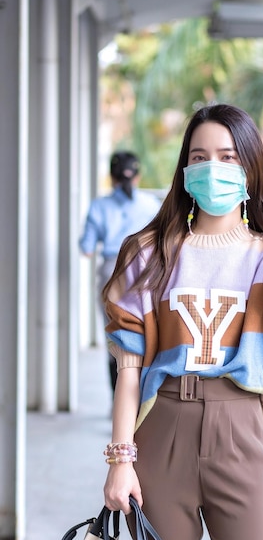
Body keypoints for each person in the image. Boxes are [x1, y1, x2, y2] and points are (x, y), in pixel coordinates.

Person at [102, 104, 263, 540]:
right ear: (184, 169)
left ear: (251, 169)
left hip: (242, 428)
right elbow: (128, 369)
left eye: (229, 157)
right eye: (199, 157)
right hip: (162, 428)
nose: (212, 168)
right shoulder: (149, 254)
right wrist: (119, 461)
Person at [79, 151, 161, 393]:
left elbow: (86, 248)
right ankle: (142, 400)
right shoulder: (151, 205)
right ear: (138, 176)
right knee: (148, 336)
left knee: (115, 341)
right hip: (147, 273)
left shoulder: (99, 206)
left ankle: (118, 404)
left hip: (111, 274)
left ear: (111, 177)